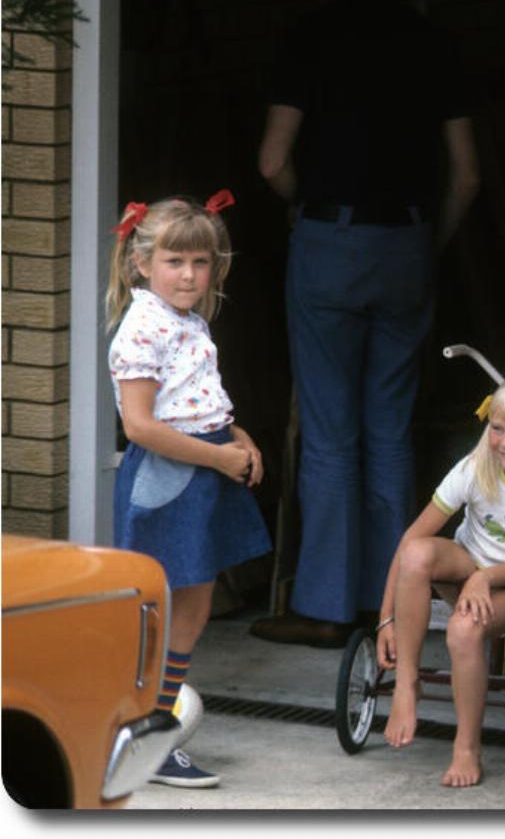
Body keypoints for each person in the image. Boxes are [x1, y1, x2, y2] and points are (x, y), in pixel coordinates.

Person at [252, 0, 481, 647]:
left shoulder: (309, 34)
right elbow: (467, 174)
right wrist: (426, 240)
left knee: (329, 429)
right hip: (406, 241)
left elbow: (270, 162)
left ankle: (324, 605)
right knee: (389, 426)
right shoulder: (432, 38)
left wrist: (305, 207)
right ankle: (392, 603)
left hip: (331, 238)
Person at [105, 192, 273, 788]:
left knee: (193, 606)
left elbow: (199, 401)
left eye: (201, 263)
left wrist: (241, 438)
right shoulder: (143, 328)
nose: (189, 275)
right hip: (170, 478)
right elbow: (143, 426)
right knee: (160, 609)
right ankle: (135, 734)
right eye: (176, 261)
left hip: (203, 469)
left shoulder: (188, 321)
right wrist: (221, 458)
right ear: (142, 263)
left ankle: (151, 727)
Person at [375, 366, 505, 787]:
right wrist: (386, 619)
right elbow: (410, 541)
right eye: (498, 428)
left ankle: (467, 746)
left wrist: (485, 580)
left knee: (464, 629)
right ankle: (407, 684)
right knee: (419, 552)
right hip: (463, 565)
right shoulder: (476, 467)